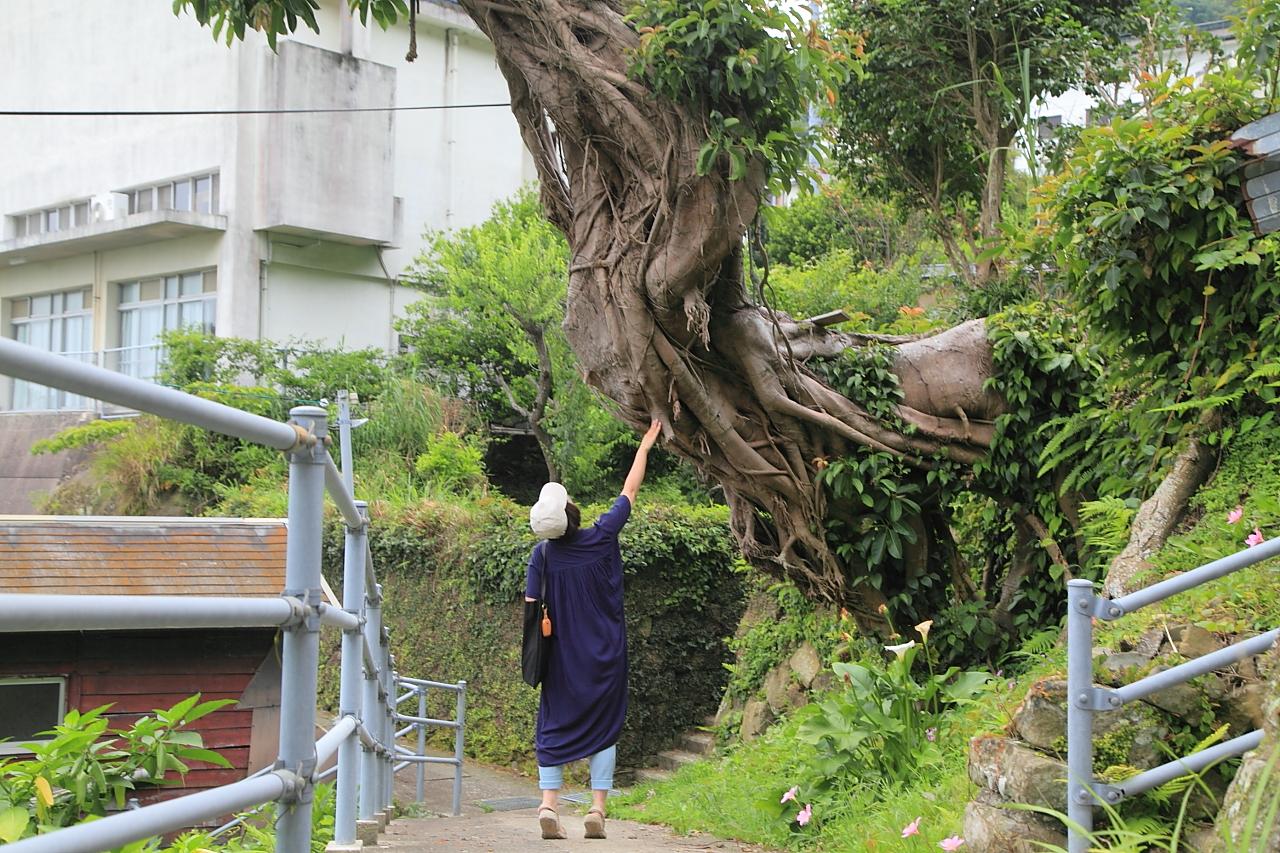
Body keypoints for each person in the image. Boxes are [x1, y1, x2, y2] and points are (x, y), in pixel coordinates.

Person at [524, 419, 663, 841]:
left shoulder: (541, 557)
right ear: (570, 512)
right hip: (604, 657)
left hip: (561, 661)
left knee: (553, 724)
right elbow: (630, 491)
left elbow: (531, 611)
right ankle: (597, 810)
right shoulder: (602, 536)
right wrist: (644, 446)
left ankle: (549, 804)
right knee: (604, 727)